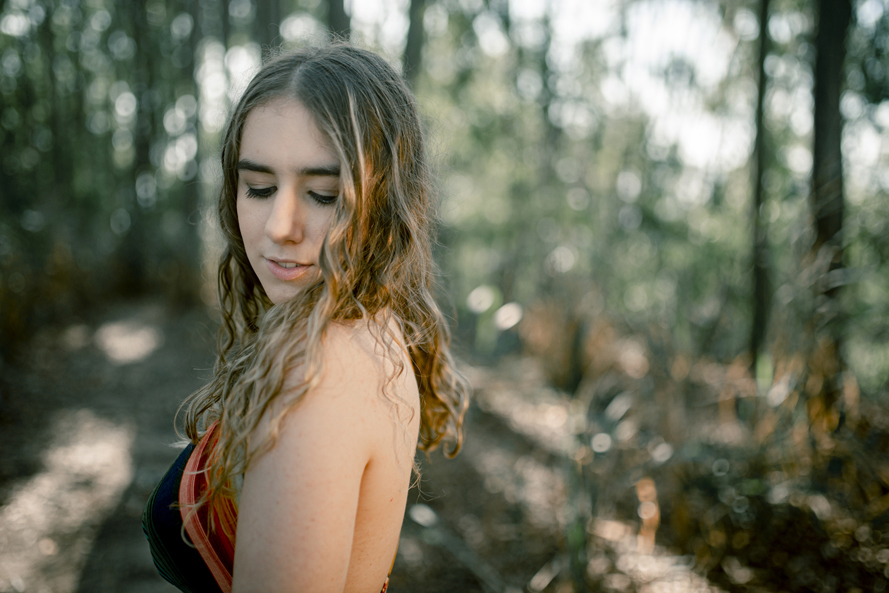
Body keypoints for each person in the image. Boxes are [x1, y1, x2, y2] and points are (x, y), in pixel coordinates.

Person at [143, 43, 469, 593]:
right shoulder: (371, 324)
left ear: (383, 203)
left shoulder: (317, 374)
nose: (280, 226)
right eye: (260, 188)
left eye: (322, 194)